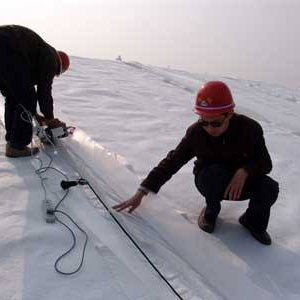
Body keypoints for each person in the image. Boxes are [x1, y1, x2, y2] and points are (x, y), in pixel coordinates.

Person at [113, 81, 279, 245]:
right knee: (214, 172)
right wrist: (141, 192)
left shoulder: (250, 129)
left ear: (230, 114)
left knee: (269, 187)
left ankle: (252, 221)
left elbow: (265, 163)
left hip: (239, 183)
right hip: (210, 181)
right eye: (203, 121)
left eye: (215, 123)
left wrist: (245, 170)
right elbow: (172, 161)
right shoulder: (196, 133)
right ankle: (210, 212)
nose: (209, 128)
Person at [0, 25, 70, 157]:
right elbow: (44, 92)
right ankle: (17, 145)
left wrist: (35, 115)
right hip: (7, 46)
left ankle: (13, 140)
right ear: (59, 66)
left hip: (6, 46)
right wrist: (50, 118)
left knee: (13, 98)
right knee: (28, 99)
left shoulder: (39, 53)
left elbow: (16, 90)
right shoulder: (51, 58)